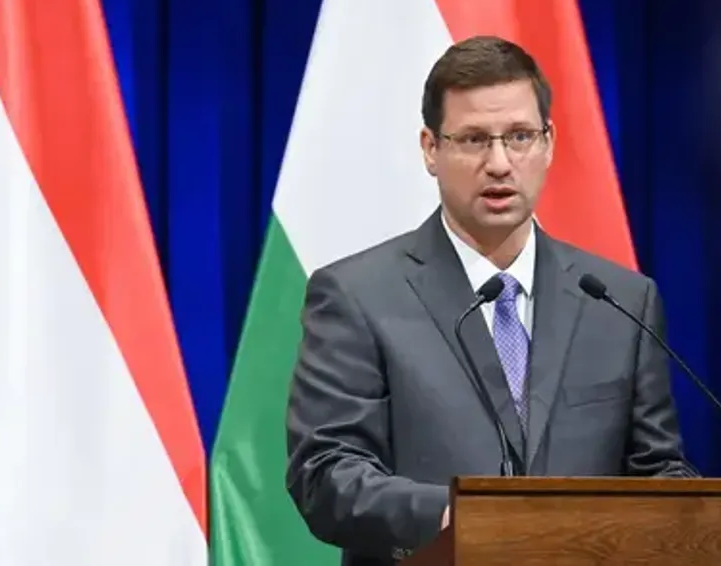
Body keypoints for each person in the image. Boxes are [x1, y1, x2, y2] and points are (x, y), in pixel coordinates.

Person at [285, 35, 695, 565]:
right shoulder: (356, 296)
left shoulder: (621, 300)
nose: (500, 163)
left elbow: (657, 470)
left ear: (548, 143)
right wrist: (461, 517)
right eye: (474, 139)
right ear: (431, 149)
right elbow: (326, 474)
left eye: (520, 136)